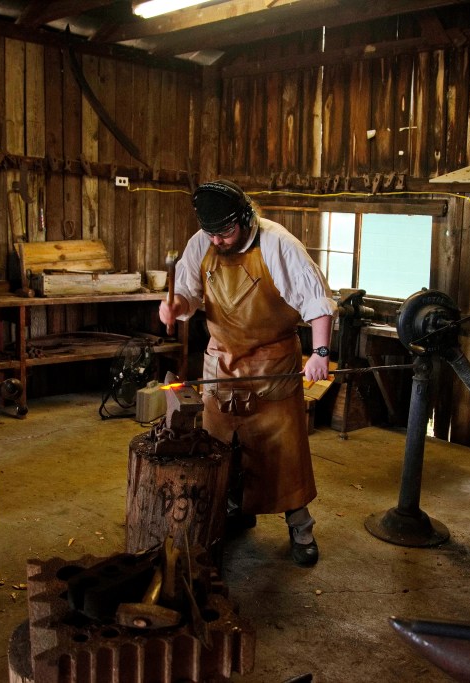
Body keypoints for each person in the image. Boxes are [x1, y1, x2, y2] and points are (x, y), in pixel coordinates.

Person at [158, 180, 336, 567]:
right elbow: (188, 293)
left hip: (272, 367)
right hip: (221, 362)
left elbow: (317, 302)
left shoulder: (278, 243)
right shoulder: (202, 243)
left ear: (245, 219)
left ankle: (301, 528)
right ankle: (235, 508)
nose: (218, 242)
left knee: (284, 454)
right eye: (212, 235)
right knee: (220, 447)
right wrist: (173, 306)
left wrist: (320, 352)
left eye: (225, 233)